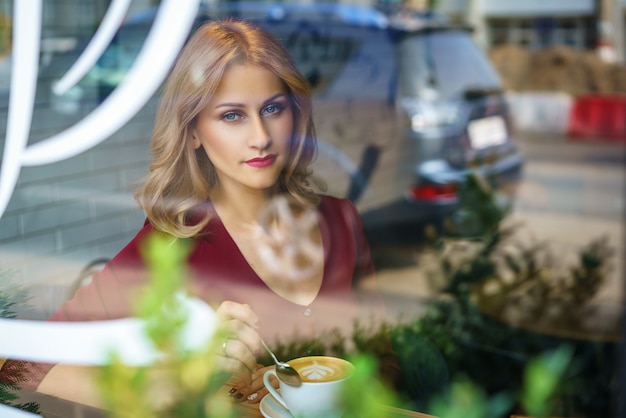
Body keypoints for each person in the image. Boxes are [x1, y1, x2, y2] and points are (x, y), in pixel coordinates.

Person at [0, 18, 384, 407]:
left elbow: (386, 356)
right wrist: (181, 379)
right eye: (232, 115)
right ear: (194, 131)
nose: (261, 137)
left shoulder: (341, 219)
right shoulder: (169, 246)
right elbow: (20, 368)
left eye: (272, 109)